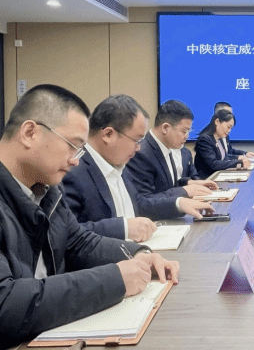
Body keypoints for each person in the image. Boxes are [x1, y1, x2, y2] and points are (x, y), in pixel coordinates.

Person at [0, 84, 179, 350]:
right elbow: (5, 304)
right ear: (29, 133)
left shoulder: (46, 189)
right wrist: (115, 279)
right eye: (73, 146)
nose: (75, 161)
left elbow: (79, 242)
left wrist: (138, 254)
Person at [62, 95, 215, 242]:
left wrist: (178, 203)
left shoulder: (116, 162)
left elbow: (138, 203)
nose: (138, 148)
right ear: (108, 134)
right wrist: (124, 228)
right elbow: (67, 234)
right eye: (136, 140)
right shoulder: (72, 171)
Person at [126, 100, 218, 212]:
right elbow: (142, 202)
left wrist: (189, 183)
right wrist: (184, 191)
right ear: (165, 128)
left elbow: (165, 186)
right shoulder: (141, 153)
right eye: (184, 131)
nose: (187, 136)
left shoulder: (166, 147)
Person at [194, 109, 251, 179]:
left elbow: (224, 157)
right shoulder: (204, 140)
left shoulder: (220, 139)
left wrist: (239, 158)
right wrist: (239, 163)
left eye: (231, 128)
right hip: (208, 179)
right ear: (217, 121)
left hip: (219, 175)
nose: (229, 131)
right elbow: (213, 164)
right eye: (228, 127)